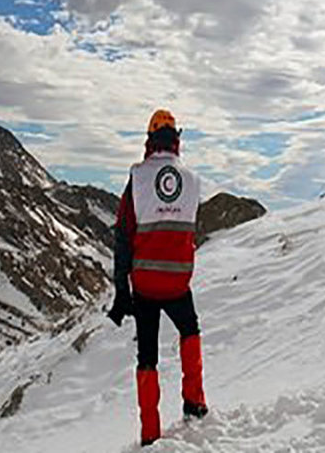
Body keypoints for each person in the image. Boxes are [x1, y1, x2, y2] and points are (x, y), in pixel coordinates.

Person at [108, 109, 208, 447]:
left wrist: (122, 288)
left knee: (147, 356)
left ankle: (150, 433)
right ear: (176, 141)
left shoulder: (137, 178)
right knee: (190, 330)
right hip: (179, 282)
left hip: (145, 285)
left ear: (150, 141)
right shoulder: (193, 180)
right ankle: (195, 403)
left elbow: (123, 234)